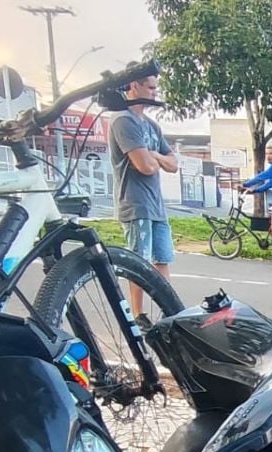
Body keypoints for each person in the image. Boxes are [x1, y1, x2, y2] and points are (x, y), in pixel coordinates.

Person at [108, 73, 178, 316]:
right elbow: (144, 166)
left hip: (156, 205)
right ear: (134, 85)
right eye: (149, 87)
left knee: (162, 260)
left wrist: (154, 155)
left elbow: (173, 164)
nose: (154, 92)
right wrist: (154, 159)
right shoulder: (123, 121)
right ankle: (139, 317)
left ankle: (170, 314)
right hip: (135, 204)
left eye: (155, 88)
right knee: (138, 263)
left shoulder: (151, 126)